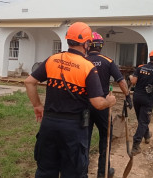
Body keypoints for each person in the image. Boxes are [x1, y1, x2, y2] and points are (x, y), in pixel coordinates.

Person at [24, 22, 116, 178]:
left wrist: (37, 106)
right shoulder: (87, 67)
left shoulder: (53, 59)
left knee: (45, 171)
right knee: (73, 173)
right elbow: (98, 103)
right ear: (86, 43)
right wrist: (110, 101)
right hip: (73, 128)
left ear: (69, 40)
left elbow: (29, 82)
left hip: (48, 124)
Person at [86, 32, 132, 178]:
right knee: (105, 138)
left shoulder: (82, 60)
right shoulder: (108, 61)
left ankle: (81, 171)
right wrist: (127, 96)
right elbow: (121, 81)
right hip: (103, 106)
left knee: (83, 138)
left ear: (88, 45)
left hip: (85, 106)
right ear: (101, 46)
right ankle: (103, 171)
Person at [129, 49, 153, 156]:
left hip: (136, 97)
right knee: (143, 121)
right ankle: (136, 145)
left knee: (142, 119)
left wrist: (130, 76)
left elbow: (133, 81)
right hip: (147, 99)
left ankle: (147, 136)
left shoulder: (140, 67)